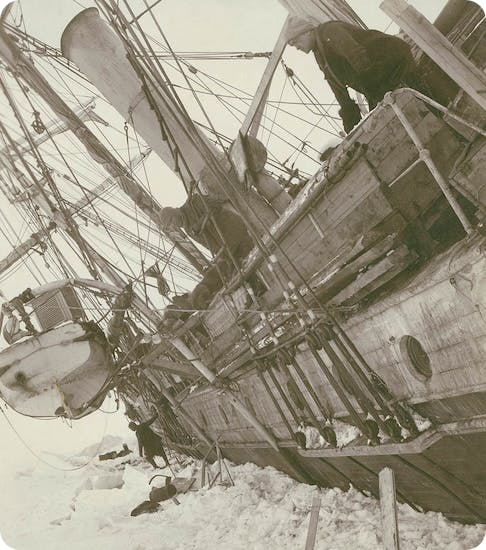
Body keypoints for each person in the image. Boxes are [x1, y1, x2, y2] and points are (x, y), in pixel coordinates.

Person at [286, 18, 425, 133]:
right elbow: (337, 88)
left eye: (296, 42)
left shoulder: (330, 31)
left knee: (420, 101)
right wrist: (350, 124)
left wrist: (377, 96)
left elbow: (358, 57)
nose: (297, 47)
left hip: (395, 62)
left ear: (308, 32)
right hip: (379, 76)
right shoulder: (319, 55)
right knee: (378, 124)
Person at [159, 194, 254, 309]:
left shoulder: (193, 202)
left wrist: (201, 223)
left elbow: (216, 206)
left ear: (173, 212)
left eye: (171, 221)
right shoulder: (188, 228)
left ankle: (254, 291)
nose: (174, 225)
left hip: (236, 236)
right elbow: (209, 243)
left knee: (244, 266)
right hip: (228, 250)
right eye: (170, 225)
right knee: (230, 274)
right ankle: (250, 295)